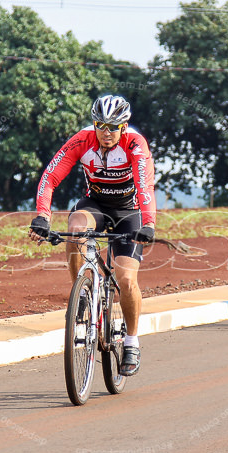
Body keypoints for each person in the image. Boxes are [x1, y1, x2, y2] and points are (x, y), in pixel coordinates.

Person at [27, 95, 156, 376]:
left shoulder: (135, 144)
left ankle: (132, 341)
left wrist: (148, 223)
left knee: (126, 279)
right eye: (100, 125)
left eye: (113, 126)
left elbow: (145, 187)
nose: (106, 133)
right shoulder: (82, 140)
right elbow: (50, 177)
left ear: (124, 126)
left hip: (129, 211)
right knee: (75, 227)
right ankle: (82, 293)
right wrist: (42, 216)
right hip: (95, 204)